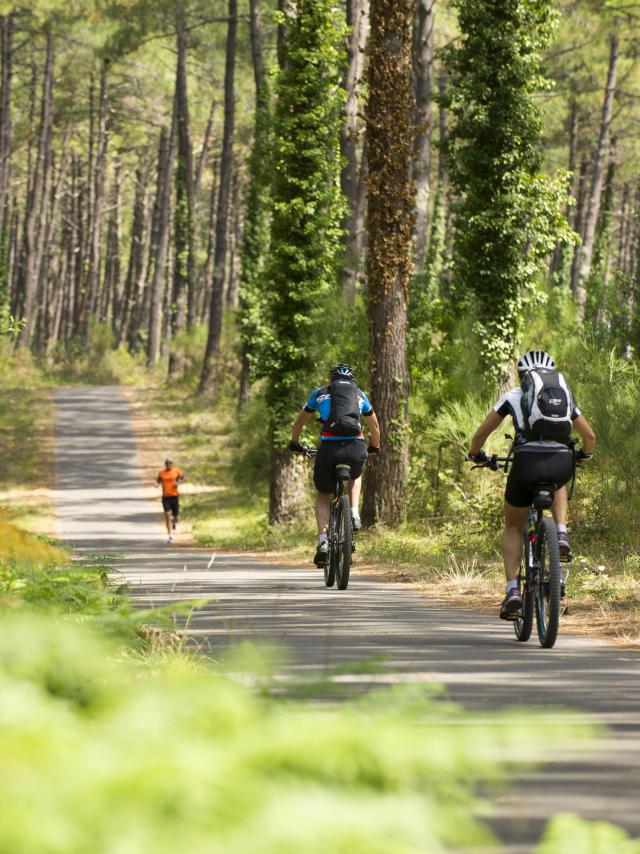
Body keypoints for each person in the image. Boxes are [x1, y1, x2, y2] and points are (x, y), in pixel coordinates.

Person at [467, 350, 596, 620]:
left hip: (525, 463)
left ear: (523, 376)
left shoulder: (514, 395)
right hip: (560, 462)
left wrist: (476, 454)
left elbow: (481, 433)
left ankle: (513, 591)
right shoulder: (565, 396)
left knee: (513, 526)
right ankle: (560, 533)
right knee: (559, 477)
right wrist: (582, 455)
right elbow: (589, 435)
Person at [289, 364, 381, 567]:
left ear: (331, 379)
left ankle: (323, 542)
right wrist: (374, 447)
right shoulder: (359, 395)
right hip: (355, 448)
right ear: (352, 380)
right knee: (356, 474)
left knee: (323, 494)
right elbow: (374, 425)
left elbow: (299, 423)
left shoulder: (320, 394)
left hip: (328, 450)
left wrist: (295, 444)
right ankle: (354, 513)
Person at [156, 458, 185, 544]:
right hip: (166, 497)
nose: (169, 464)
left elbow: (183, 478)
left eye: (170, 463)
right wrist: (156, 484)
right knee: (167, 515)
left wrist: (178, 483)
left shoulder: (177, 471)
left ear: (172, 464)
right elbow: (158, 481)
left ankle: (174, 522)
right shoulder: (162, 473)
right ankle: (170, 535)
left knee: (176, 518)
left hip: (174, 496)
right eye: (167, 463)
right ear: (165, 464)